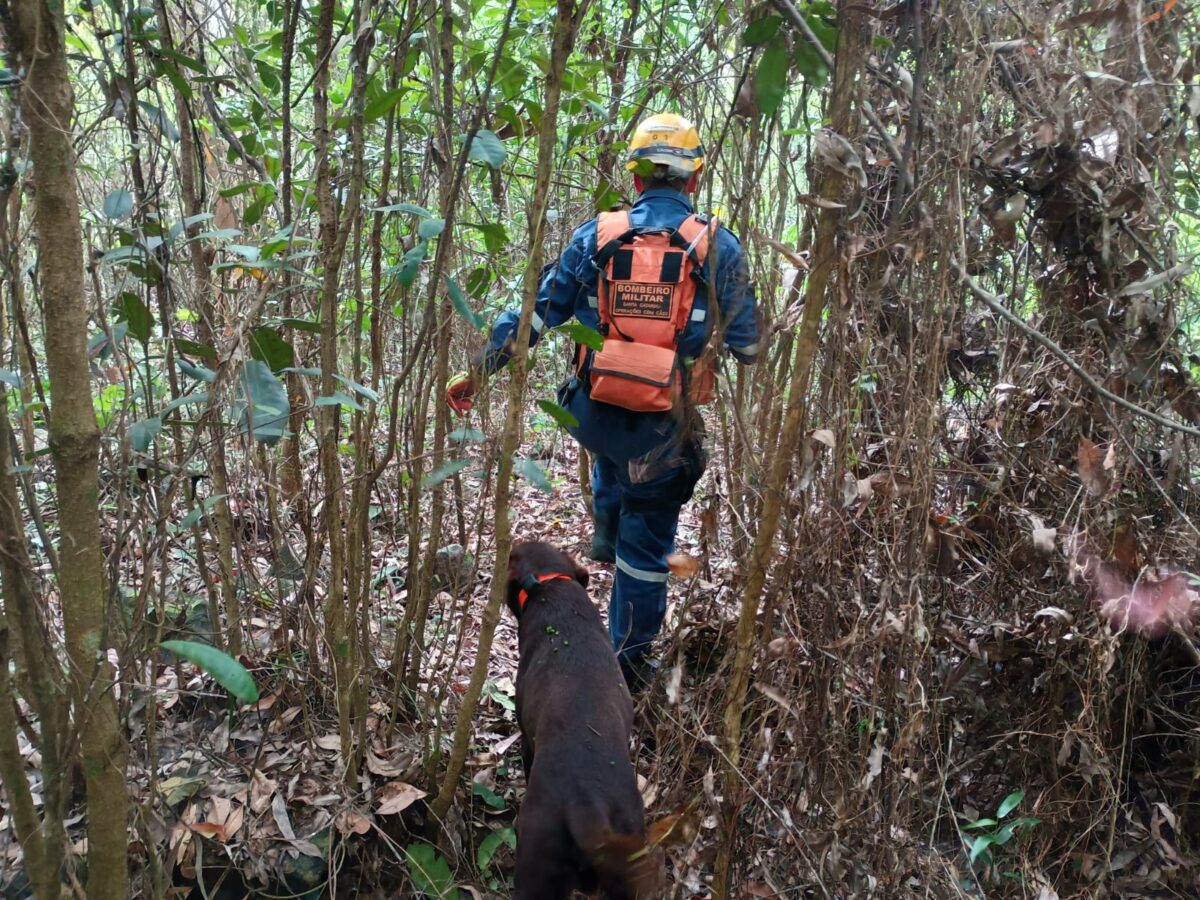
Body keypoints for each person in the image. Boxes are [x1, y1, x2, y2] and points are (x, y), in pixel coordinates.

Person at [446, 112, 759, 683]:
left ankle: (607, 532)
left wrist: (479, 371)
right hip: (666, 425)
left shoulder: (598, 236)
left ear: (636, 178)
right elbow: (750, 345)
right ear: (693, 181)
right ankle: (626, 665)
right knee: (648, 547)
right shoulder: (717, 247)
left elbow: (536, 314)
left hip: (597, 415)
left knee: (614, 468)